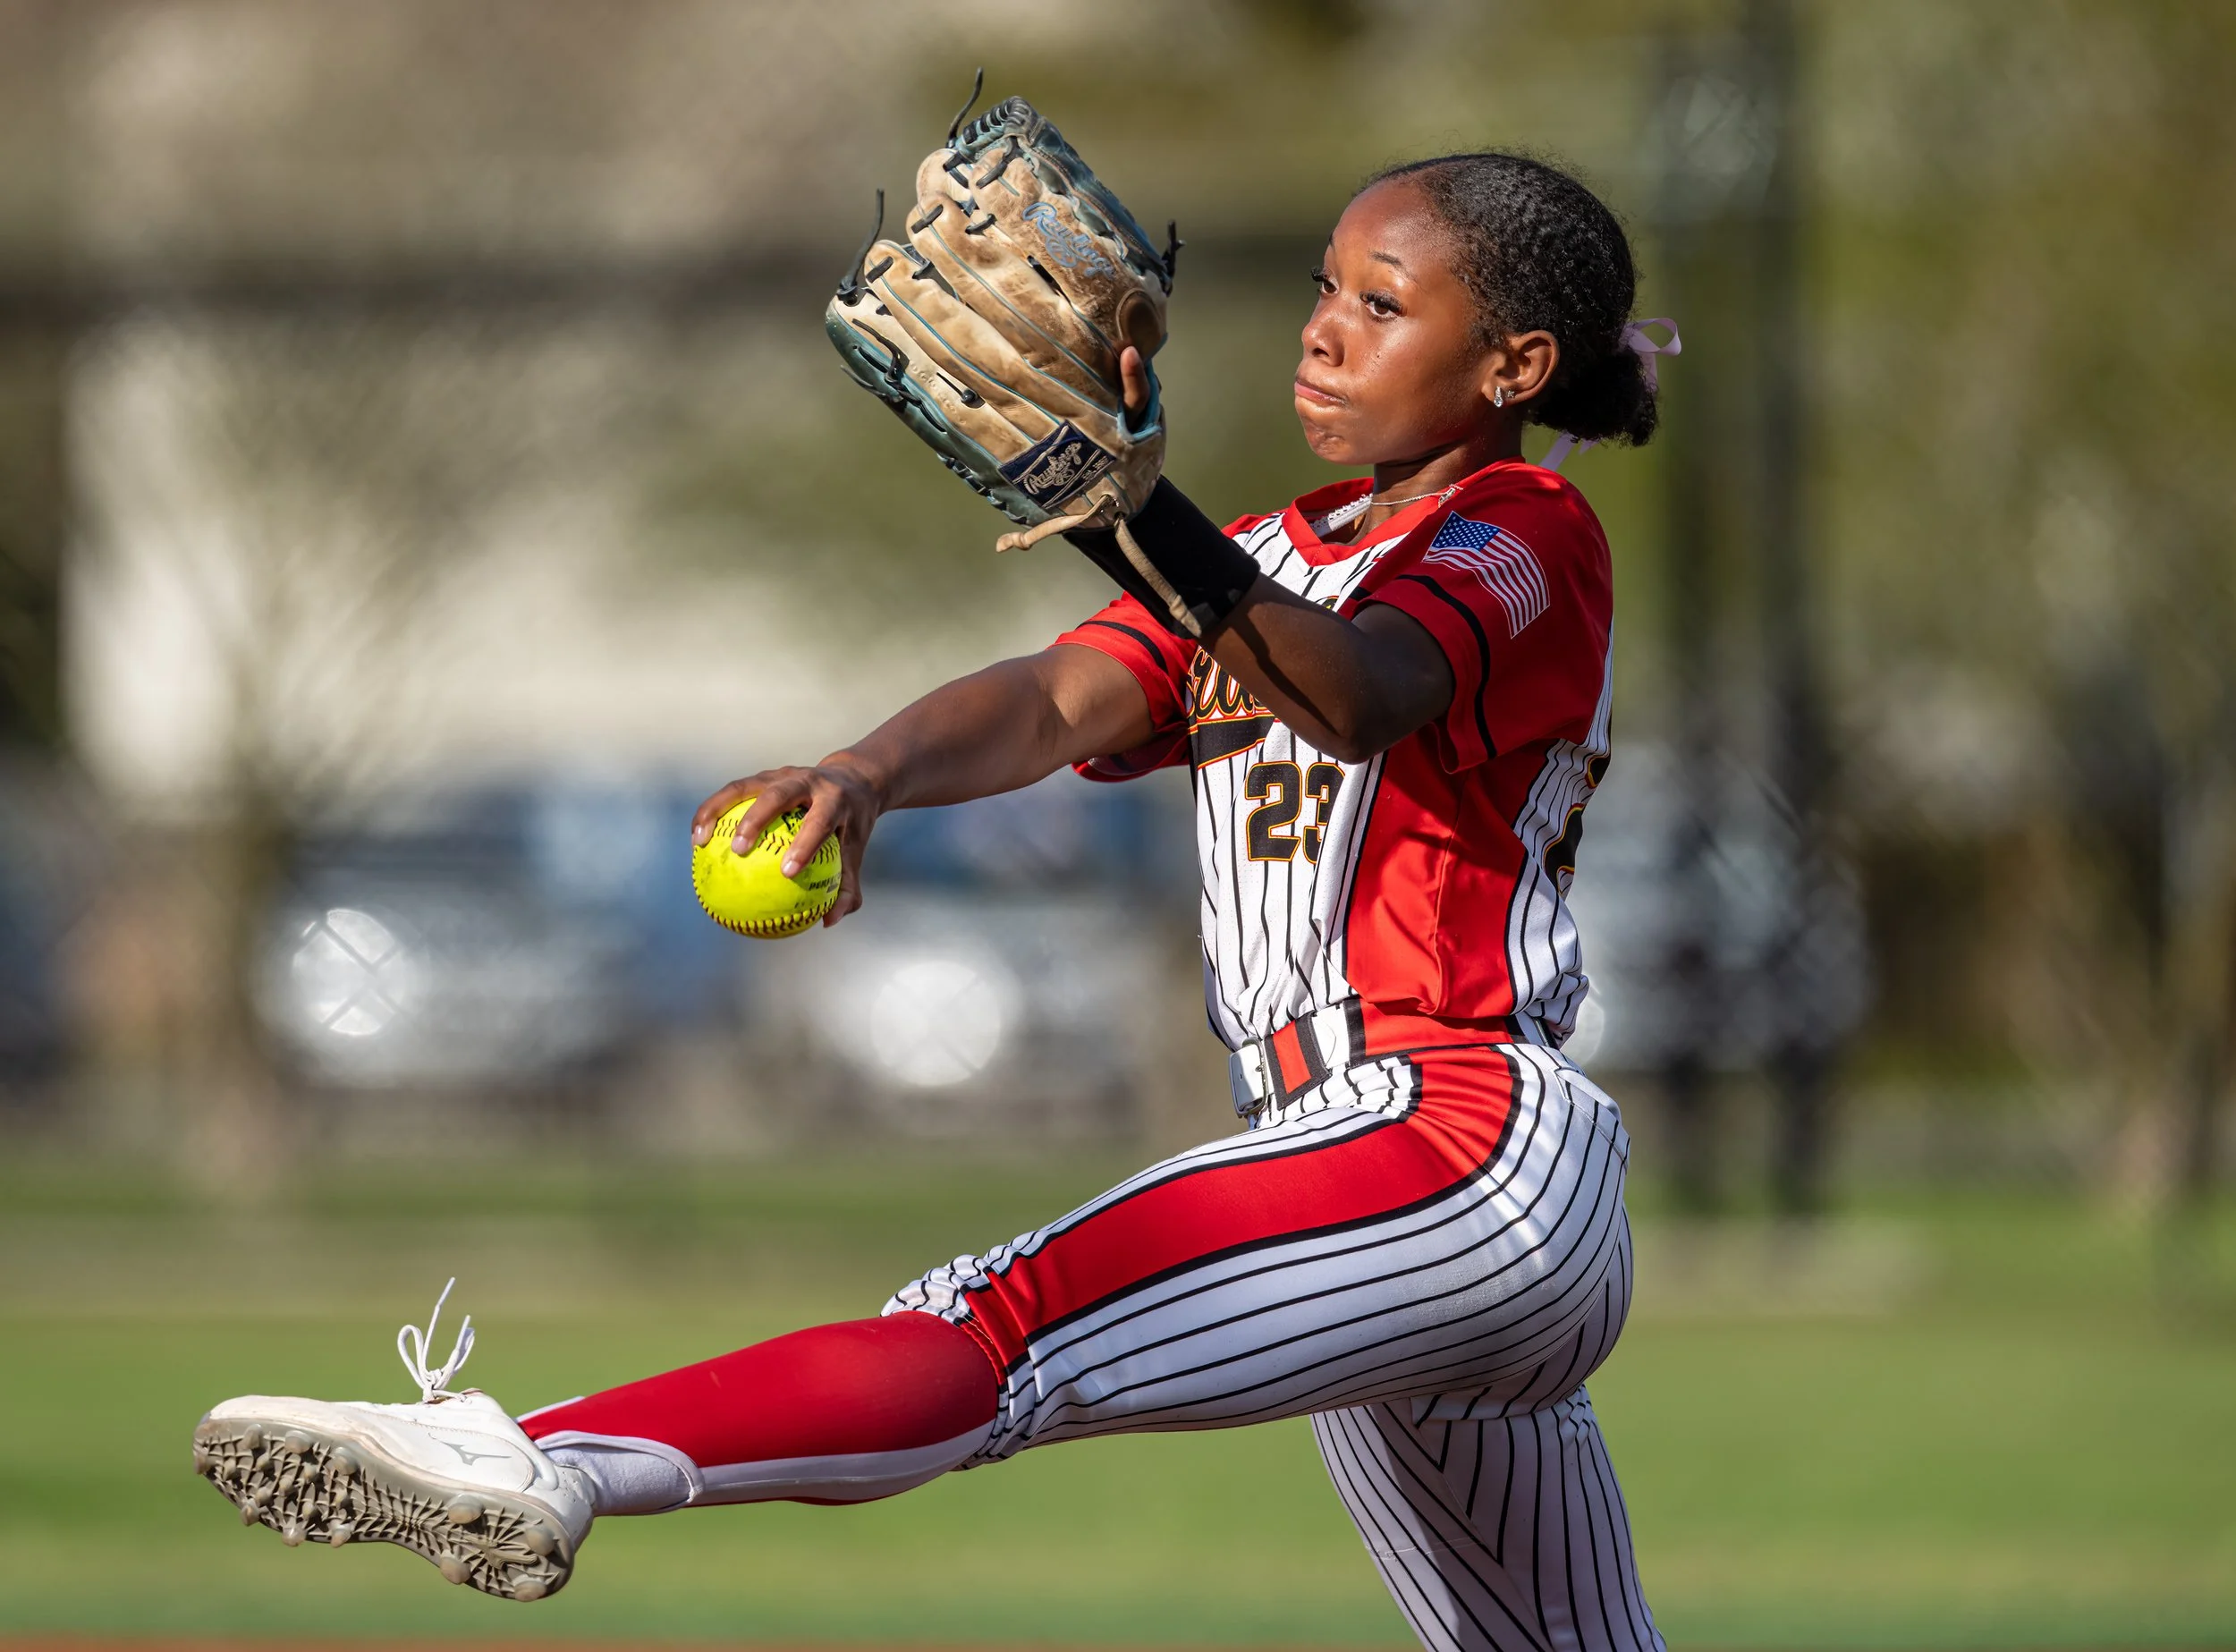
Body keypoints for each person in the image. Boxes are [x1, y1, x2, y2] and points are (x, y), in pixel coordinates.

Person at [197, 150, 1673, 1652]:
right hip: (1341, 1175)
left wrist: (1132, 516)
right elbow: (1054, 697)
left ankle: (537, 1455)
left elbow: (1361, 693)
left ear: (1516, 365)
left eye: (1380, 301)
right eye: (1323, 289)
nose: (1323, 330)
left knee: (1004, 1322)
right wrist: (866, 773)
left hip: (1462, 1144)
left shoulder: (1526, 530)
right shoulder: (1274, 559)